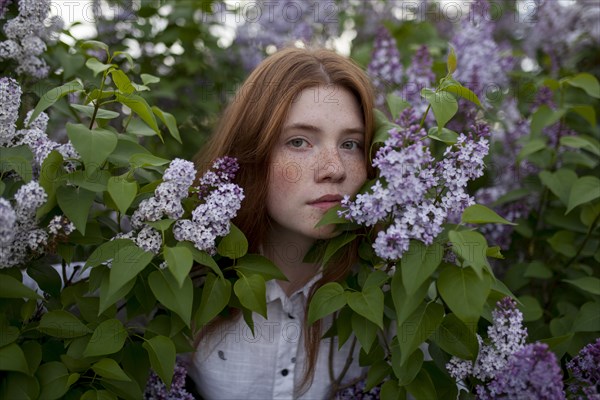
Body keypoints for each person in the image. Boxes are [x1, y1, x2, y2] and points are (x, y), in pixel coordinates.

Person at [188, 46, 375, 399]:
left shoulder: (390, 293)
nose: (333, 169)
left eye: (351, 144)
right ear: (253, 152)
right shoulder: (182, 280)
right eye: (299, 142)